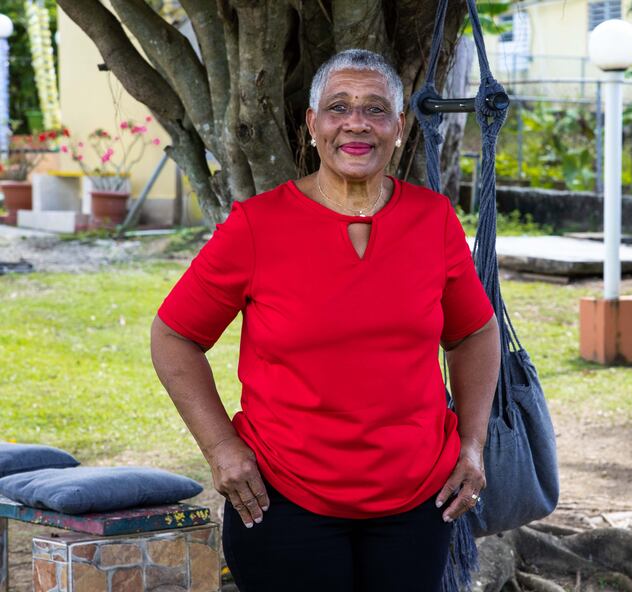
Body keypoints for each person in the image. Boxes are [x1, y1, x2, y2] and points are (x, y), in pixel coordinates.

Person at [150, 49, 501, 592]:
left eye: (375, 109)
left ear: (400, 128)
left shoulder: (432, 220)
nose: (356, 123)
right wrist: (221, 449)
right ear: (313, 126)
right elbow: (174, 335)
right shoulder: (257, 227)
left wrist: (473, 446)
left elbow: (474, 332)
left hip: (417, 501)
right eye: (338, 107)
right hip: (281, 500)